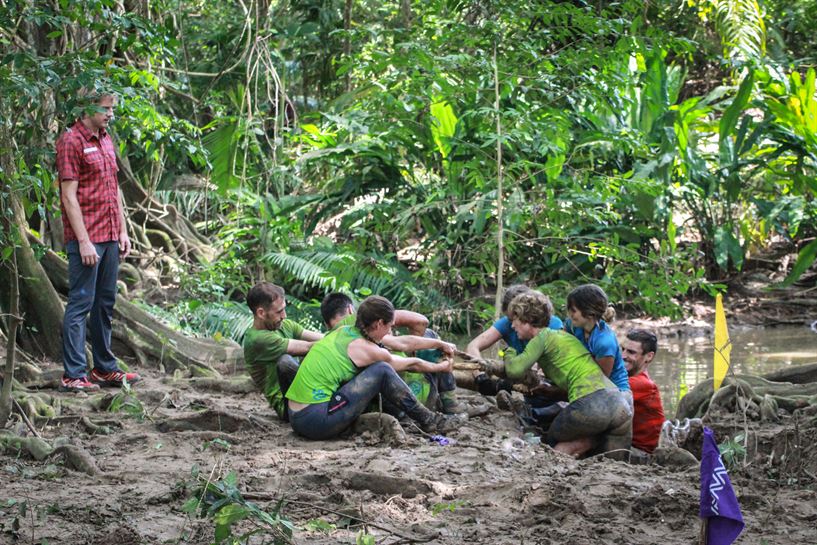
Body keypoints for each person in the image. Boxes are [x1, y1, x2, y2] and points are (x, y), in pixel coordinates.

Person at [286, 295, 464, 439]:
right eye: (390, 327)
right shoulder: (367, 349)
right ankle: (430, 420)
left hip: (296, 415)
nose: (390, 331)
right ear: (379, 324)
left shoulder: (345, 331)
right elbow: (413, 364)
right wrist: (441, 367)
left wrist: (440, 343)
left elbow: (402, 342)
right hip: (314, 420)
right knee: (382, 370)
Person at [57, 88, 140, 392]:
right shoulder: (71, 141)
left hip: (110, 236)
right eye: (106, 109)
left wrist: (122, 230)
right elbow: (68, 195)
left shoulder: (106, 139)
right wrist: (83, 241)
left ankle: (104, 369)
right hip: (87, 239)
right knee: (81, 302)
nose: (110, 114)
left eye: (112, 109)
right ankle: (74, 374)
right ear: (88, 108)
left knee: (105, 303)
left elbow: (113, 188)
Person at [503, 291, 631, 457]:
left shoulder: (542, 338)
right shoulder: (564, 336)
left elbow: (514, 370)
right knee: (615, 460)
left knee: (552, 436)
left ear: (527, 320)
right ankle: (594, 441)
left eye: (515, 321)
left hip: (593, 404)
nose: (512, 326)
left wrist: (509, 353)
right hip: (620, 403)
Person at [320, 292, 465, 414]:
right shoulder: (362, 329)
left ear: (327, 324)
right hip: (409, 402)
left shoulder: (329, 340)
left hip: (366, 408)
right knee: (429, 336)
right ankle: (451, 404)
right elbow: (420, 323)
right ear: (352, 310)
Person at [243, 282, 324, 421]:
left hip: (304, 391)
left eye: (284, 309)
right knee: (285, 362)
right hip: (288, 408)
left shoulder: (283, 325)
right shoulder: (257, 339)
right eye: (279, 311)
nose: (284, 315)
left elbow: (322, 338)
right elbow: (307, 347)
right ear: (261, 313)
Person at [564, 284, 631, 402]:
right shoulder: (573, 326)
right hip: (586, 382)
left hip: (617, 394)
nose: (570, 314)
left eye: (574, 311)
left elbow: (600, 379)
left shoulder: (604, 342)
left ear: (590, 313)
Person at [466, 284, 563, 359]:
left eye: (517, 318)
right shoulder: (506, 323)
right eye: (510, 319)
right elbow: (472, 346)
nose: (513, 325)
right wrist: (480, 376)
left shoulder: (553, 325)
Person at [622, 329, 665, 454]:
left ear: (649, 356)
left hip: (642, 452)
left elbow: (600, 394)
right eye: (622, 349)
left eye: (631, 352)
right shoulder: (628, 378)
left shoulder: (644, 384)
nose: (623, 355)